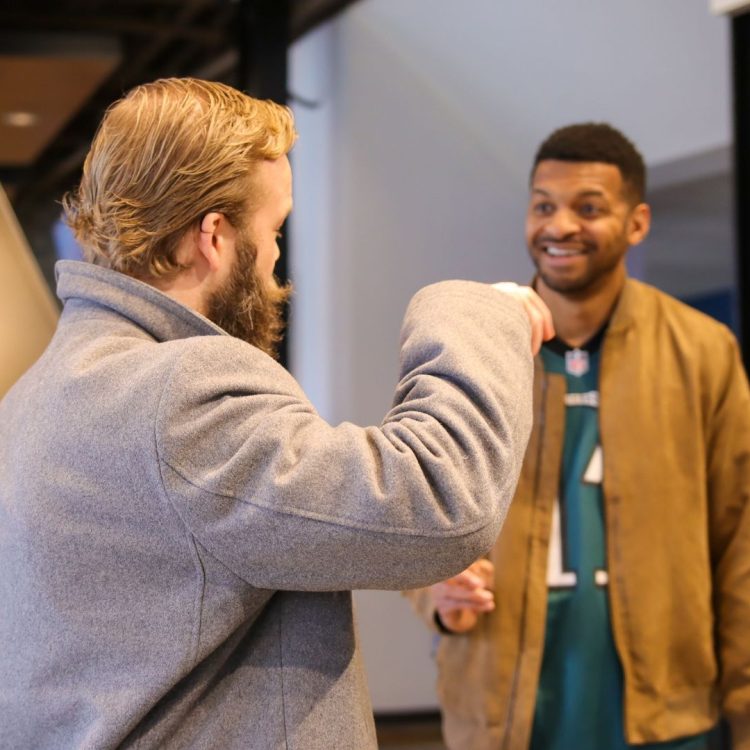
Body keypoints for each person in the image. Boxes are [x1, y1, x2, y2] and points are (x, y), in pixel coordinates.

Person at [0, 78, 553, 749]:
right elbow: (438, 503)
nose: (275, 262)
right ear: (213, 236)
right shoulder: (179, 392)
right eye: (274, 230)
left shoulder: (35, 396)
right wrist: (477, 314)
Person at [407, 122, 750, 750]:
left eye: (588, 208)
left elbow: (741, 538)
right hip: (502, 711)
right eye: (544, 206)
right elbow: (412, 503)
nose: (560, 226)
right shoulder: (472, 348)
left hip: (668, 716)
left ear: (637, 223)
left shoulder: (703, 350)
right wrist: (435, 591)